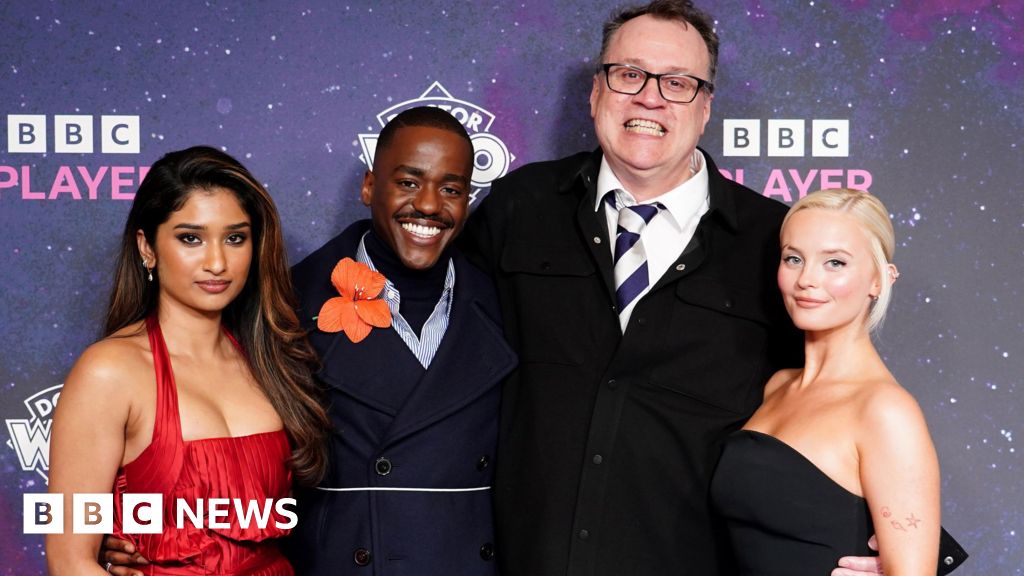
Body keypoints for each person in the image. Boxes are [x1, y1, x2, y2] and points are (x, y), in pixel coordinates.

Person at [464, 1, 963, 575]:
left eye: (677, 83)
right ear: (596, 92)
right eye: (629, 74)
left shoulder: (771, 241)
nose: (650, 98)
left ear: (705, 109)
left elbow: (833, 404)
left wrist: (896, 557)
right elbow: (446, 363)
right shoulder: (520, 207)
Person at [47, 146, 330, 576]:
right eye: (190, 238)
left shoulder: (269, 360)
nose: (217, 263)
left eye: (235, 238)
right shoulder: (109, 372)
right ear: (147, 247)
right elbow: (69, 561)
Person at [284, 106, 516, 575]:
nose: (429, 205)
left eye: (451, 189)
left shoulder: (506, 305)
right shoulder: (290, 304)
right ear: (370, 186)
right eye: (409, 182)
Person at [709, 188, 940, 575]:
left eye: (835, 262)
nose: (807, 279)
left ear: (879, 280)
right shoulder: (776, 387)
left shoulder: (885, 411)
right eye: (794, 259)